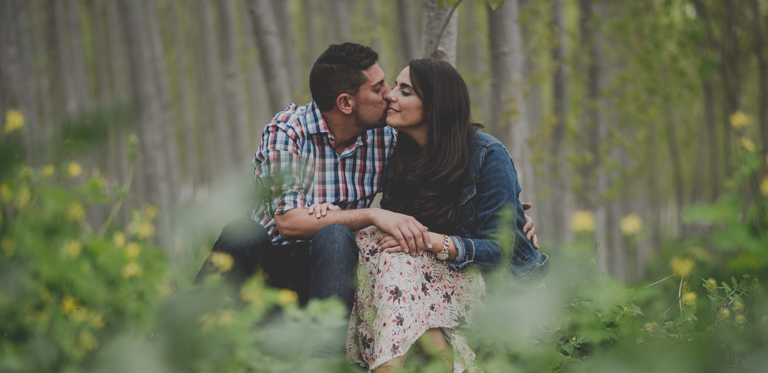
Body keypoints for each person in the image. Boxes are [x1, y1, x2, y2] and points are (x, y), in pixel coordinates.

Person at [195, 43, 537, 319]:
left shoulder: (387, 139)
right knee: (244, 231)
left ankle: (325, 362)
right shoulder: (288, 131)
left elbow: (442, 181)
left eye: (394, 86)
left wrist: (510, 216)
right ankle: (190, 334)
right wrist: (371, 214)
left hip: (330, 271)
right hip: (264, 270)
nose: (389, 95)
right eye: (379, 88)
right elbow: (287, 222)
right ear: (346, 103)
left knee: (334, 234)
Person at [345, 58, 550, 373]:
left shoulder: (487, 154)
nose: (391, 96)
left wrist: (430, 241)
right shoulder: (403, 155)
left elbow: (500, 252)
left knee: (391, 250)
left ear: (436, 105)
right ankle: (441, 370)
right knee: (370, 239)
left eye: (405, 91)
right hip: (438, 281)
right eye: (394, 87)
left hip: (499, 287)